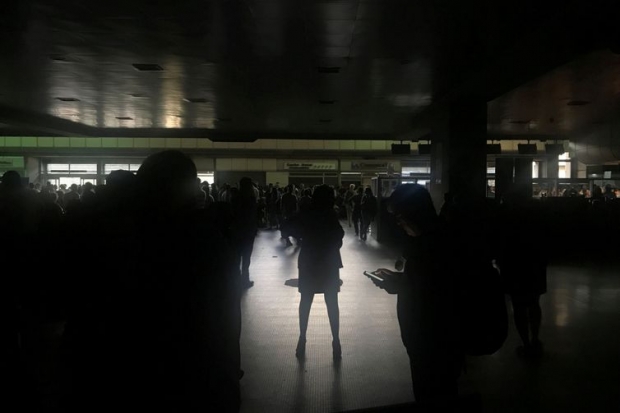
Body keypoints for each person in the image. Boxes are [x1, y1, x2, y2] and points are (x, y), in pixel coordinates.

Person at [368, 183, 463, 411]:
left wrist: (400, 285)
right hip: (427, 338)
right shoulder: (435, 239)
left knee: (433, 392)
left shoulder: (434, 245)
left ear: (415, 213)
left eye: (400, 216)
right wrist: (401, 281)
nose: (399, 223)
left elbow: (437, 292)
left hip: (433, 338)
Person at [287, 184, 344, 360]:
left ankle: (302, 338)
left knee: (306, 300)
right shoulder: (330, 215)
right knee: (332, 302)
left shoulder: (307, 213)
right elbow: (339, 236)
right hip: (329, 262)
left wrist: (302, 236)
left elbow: (288, 225)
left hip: (309, 261)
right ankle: (336, 341)